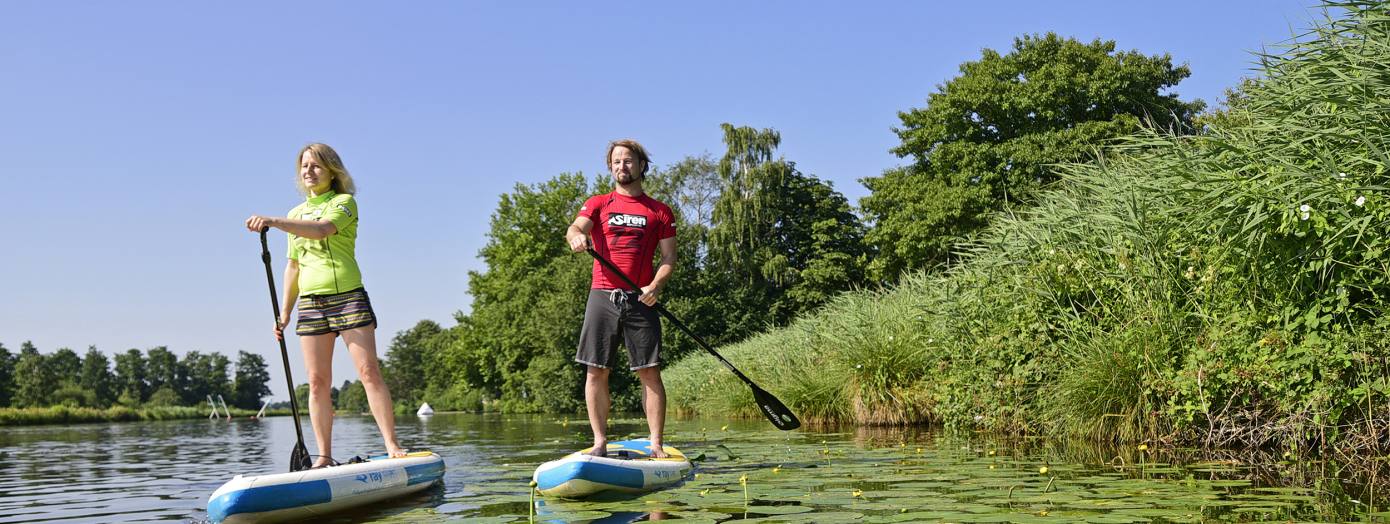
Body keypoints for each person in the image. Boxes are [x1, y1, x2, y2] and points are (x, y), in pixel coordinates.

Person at [245, 143, 405, 467]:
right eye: (304, 166)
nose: (308, 171)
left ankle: (392, 445)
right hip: (311, 303)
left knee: (368, 371)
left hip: (348, 295)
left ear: (332, 171)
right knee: (317, 382)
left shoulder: (345, 203)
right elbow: (293, 265)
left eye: (316, 166)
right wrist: (285, 312)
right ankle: (323, 457)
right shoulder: (294, 215)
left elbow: (322, 231)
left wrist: (273, 222)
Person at [566, 139, 678, 458]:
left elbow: (669, 257)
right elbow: (576, 227)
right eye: (616, 162)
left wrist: (656, 285)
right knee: (596, 370)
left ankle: (655, 444)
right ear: (610, 167)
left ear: (642, 166)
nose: (621, 167)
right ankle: (599, 442)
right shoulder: (599, 203)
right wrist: (576, 236)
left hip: (641, 298)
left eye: (628, 161)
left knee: (649, 371)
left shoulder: (659, 211)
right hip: (602, 295)